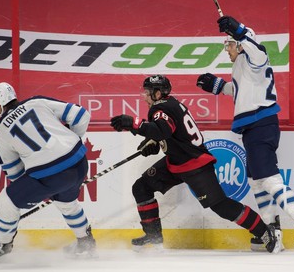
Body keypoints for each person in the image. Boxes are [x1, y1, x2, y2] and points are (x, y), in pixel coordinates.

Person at [195, 15, 294, 253]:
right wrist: (216, 86)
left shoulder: (254, 58)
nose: (227, 49)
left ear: (241, 44)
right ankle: (272, 231)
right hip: (253, 128)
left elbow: (258, 49)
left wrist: (239, 29)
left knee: (268, 179)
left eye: (230, 44)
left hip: (261, 125)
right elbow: (237, 89)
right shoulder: (243, 67)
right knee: (255, 182)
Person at [110, 75, 281, 253]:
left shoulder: (160, 109)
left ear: (158, 93)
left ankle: (265, 232)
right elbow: (170, 132)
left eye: (147, 92)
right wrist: (153, 141)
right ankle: (153, 237)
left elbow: (163, 129)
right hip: (176, 162)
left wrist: (134, 123)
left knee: (221, 206)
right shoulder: (170, 103)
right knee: (141, 187)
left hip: (194, 165)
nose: (144, 96)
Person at [0, 82, 96, 263]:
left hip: (50, 176)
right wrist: (71, 141)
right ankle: (85, 241)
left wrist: (40, 188)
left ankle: (4, 244)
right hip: (79, 162)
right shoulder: (37, 102)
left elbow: (15, 173)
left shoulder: (0, 132)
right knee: (67, 203)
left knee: (6, 200)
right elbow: (81, 115)